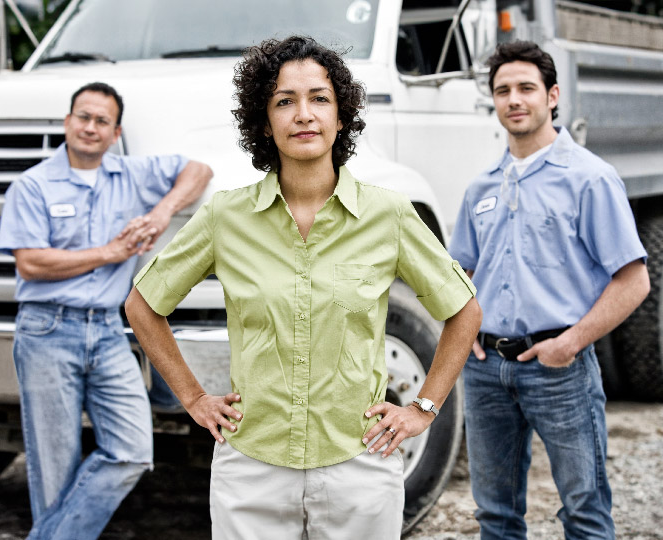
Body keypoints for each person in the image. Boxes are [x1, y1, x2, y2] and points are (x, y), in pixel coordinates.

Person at [125, 36, 482, 539]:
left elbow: (463, 311)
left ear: (341, 117)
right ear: (265, 123)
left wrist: (422, 407)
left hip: (360, 464)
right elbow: (142, 305)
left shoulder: (389, 214)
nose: (303, 114)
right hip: (251, 468)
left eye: (319, 98)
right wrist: (193, 397)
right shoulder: (226, 216)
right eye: (284, 101)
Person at [449, 41, 650, 540]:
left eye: (525, 88)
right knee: (494, 516)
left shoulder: (590, 179)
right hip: (485, 371)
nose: (514, 99)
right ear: (493, 102)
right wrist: (464, 329)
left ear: (552, 96)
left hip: (559, 367)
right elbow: (459, 274)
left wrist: (571, 343)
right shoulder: (481, 188)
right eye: (502, 91)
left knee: (584, 511)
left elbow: (633, 280)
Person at [0, 81, 212, 540]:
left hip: (110, 333)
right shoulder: (31, 186)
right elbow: (31, 262)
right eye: (83, 116)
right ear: (67, 122)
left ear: (115, 133)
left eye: (101, 121)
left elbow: (199, 170)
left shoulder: (132, 175)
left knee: (133, 449)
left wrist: (161, 212)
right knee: (54, 468)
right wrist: (110, 253)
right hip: (47, 330)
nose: (90, 127)